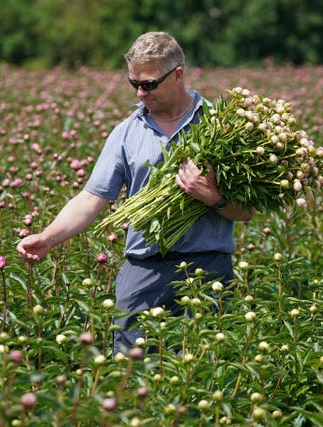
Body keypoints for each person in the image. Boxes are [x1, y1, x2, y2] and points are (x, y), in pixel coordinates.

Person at [17, 31, 254, 354]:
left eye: (149, 84)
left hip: (207, 268)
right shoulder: (126, 132)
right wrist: (48, 238)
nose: (141, 93)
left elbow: (247, 211)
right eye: (134, 84)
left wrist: (212, 197)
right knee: (130, 372)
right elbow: (92, 198)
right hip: (143, 270)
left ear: (178, 75)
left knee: (204, 372)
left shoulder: (223, 126)